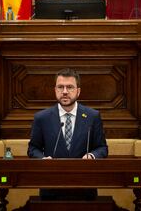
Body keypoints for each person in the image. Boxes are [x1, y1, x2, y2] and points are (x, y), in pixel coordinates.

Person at [28, 68, 108, 200]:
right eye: (60, 87)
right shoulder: (42, 118)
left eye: (70, 87)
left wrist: (92, 156)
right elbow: (33, 149)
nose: (64, 92)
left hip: (84, 188)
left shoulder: (92, 116)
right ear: (55, 90)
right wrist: (42, 160)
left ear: (78, 91)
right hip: (52, 187)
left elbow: (102, 148)